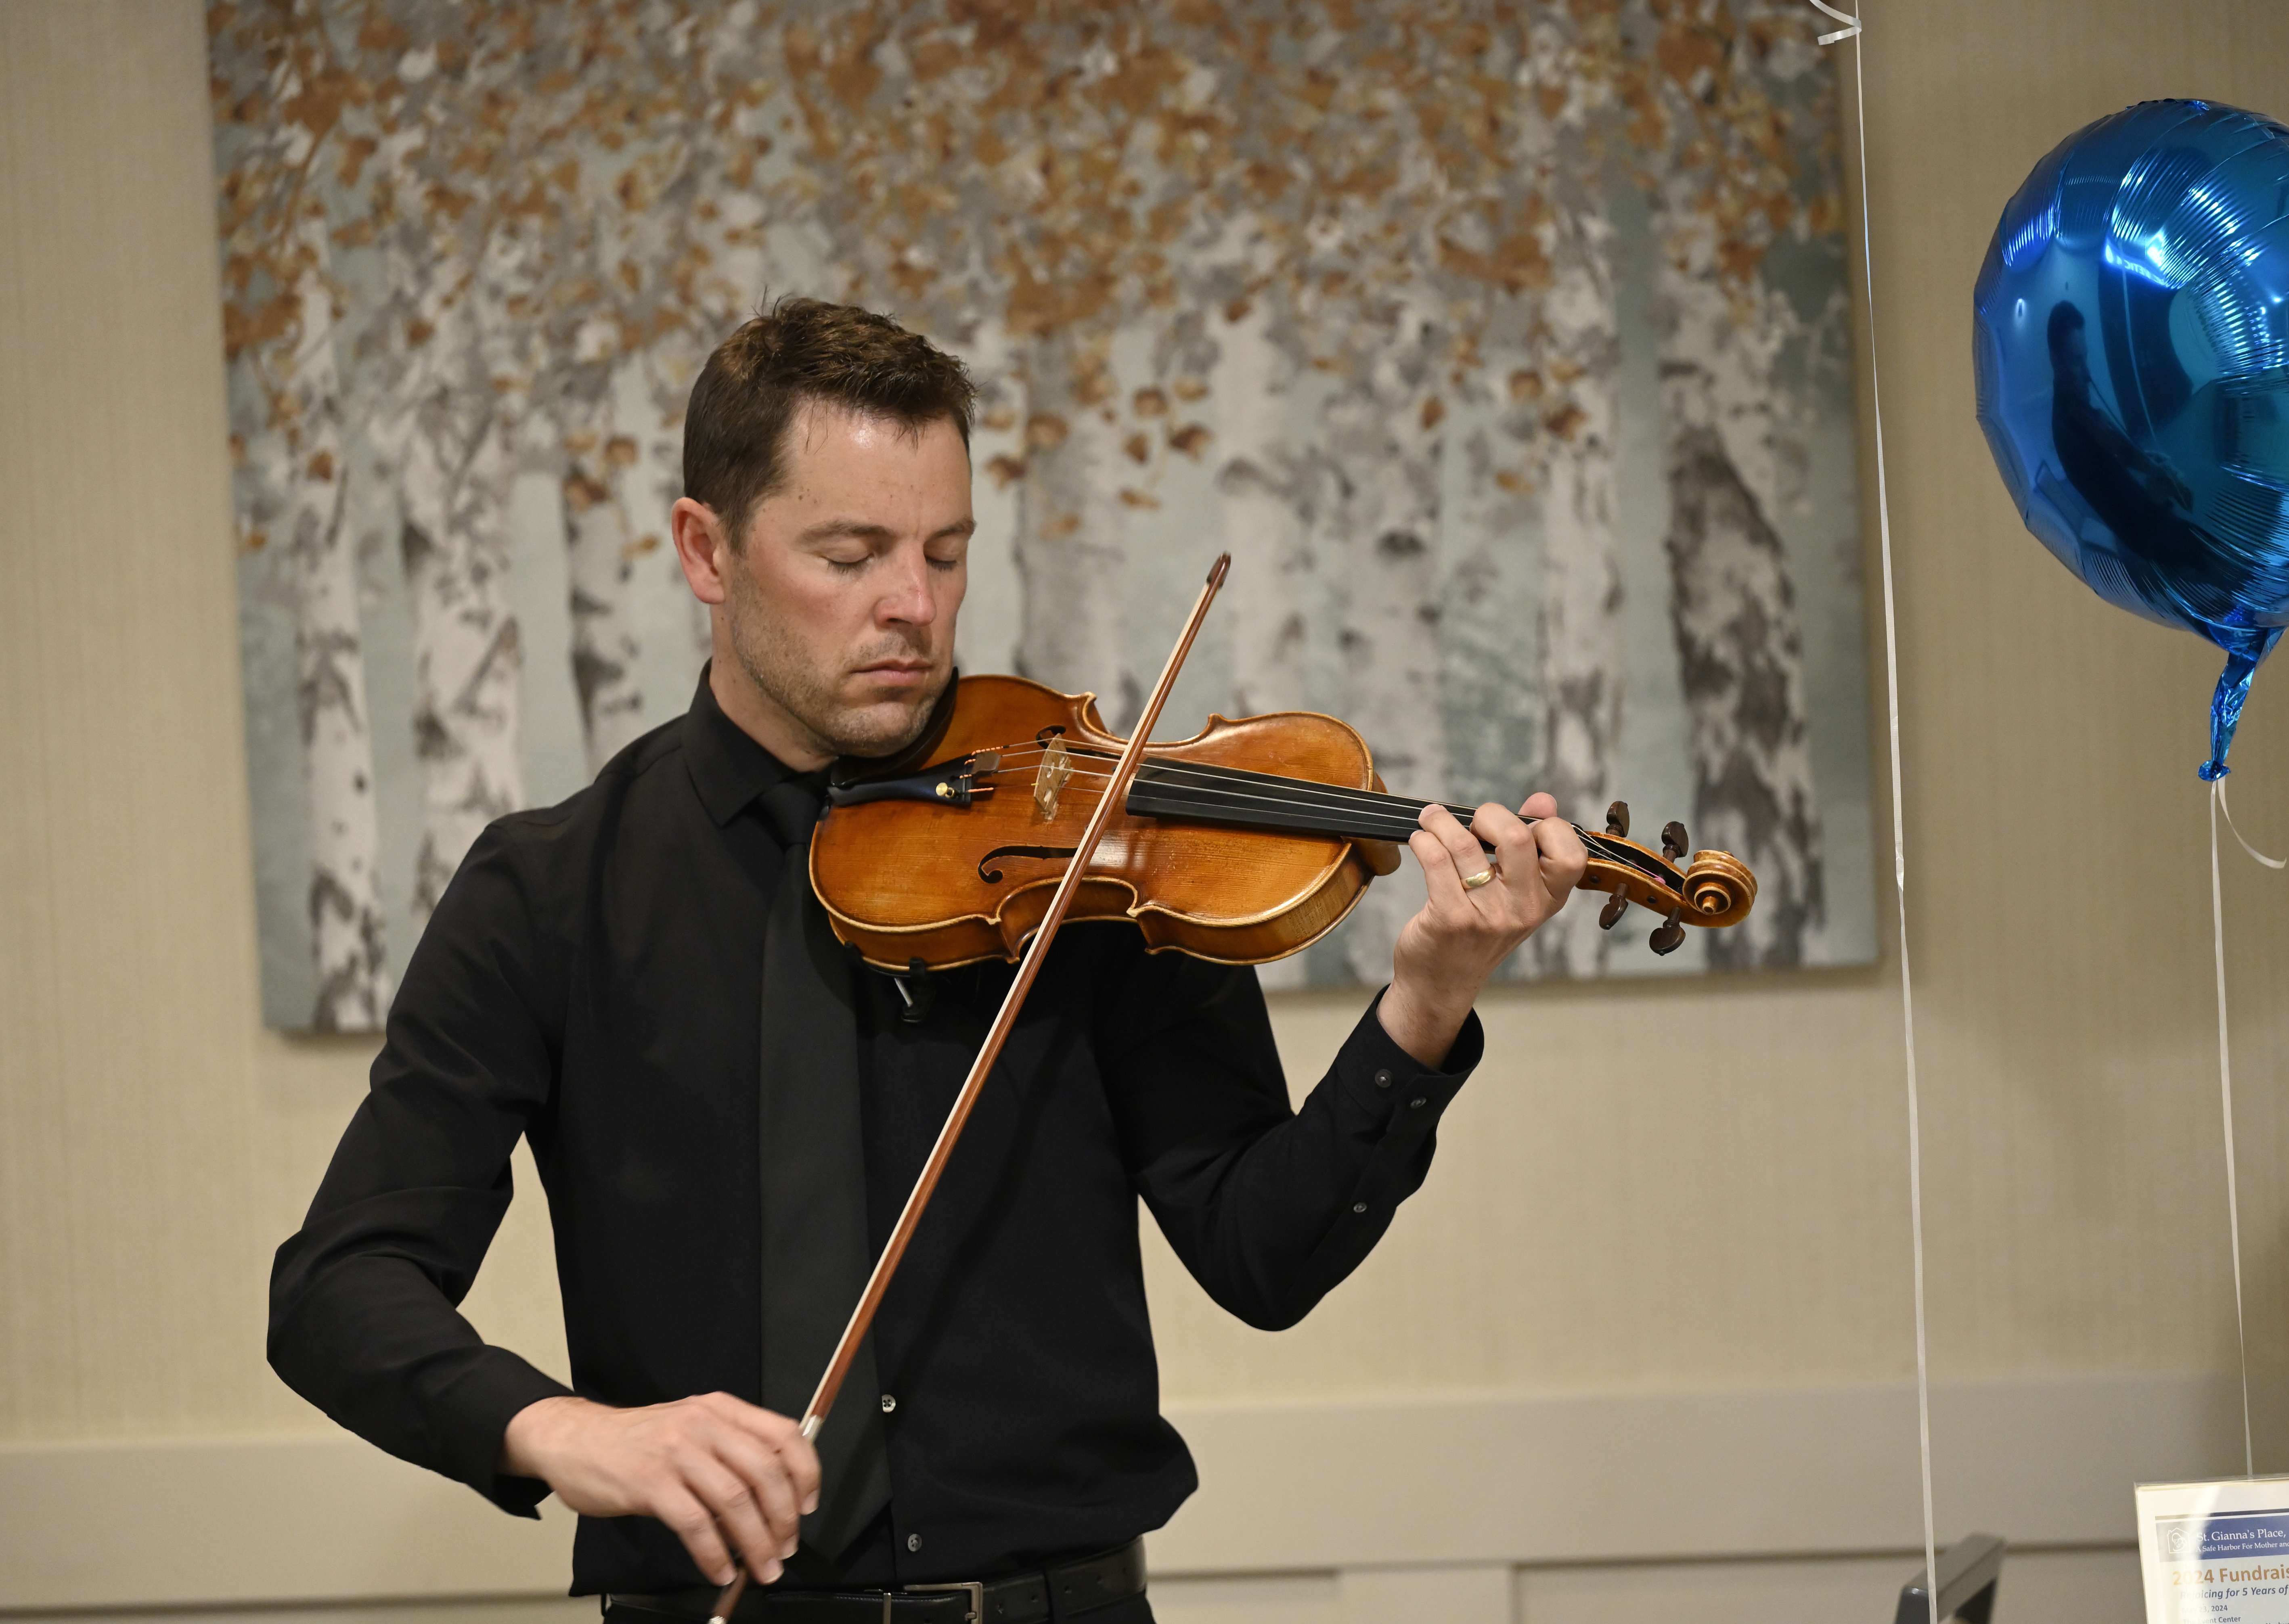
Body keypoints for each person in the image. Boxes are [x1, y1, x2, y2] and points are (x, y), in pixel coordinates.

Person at [269, 299, 1589, 1624]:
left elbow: (1265, 1255)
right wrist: (563, 1430)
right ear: (705, 549)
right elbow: (339, 1287)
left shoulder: (1085, 836)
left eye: (946, 553)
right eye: (850, 555)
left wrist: (1425, 1004)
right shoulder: (549, 893)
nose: (914, 606)